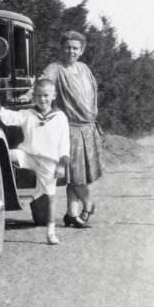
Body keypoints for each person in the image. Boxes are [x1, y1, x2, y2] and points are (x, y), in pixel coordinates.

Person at [0, 77, 69, 245]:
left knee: (50, 196)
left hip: (49, 161)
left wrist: (62, 164)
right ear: (34, 96)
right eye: (39, 96)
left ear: (54, 96)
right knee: (4, 155)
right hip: (28, 155)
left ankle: (51, 231)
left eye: (46, 95)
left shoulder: (60, 117)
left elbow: (65, 144)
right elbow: (8, 117)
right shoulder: (28, 114)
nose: (43, 99)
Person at [41, 31, 102, 228]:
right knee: (76, 175)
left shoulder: (84, 68)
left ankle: (71, 214)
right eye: (68, 47)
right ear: (61, 48)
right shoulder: (55, 68)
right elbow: (43, 84)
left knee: (78, 176)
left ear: (82, 50)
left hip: (88, 128)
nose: (71, 51)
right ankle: (89, 204)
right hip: (70, 129)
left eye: (76, 48)